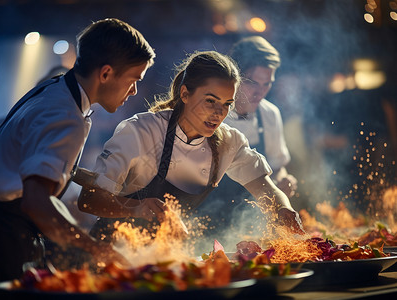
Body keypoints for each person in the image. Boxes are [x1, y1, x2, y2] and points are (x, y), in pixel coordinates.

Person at [0, 18, 155, 288]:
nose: (134, 91)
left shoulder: (54, 89)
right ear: (105, 74)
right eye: (134, 80)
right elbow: (36, 203)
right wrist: (96, 250)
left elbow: (29, 158)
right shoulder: (65, 116)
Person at [73, 50, 304, 243]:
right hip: (113, 253)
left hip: (165, 257)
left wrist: (283, 210)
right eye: (210, 101)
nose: (218, 113)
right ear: (185, 93)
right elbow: (89, 199)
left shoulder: (228, 142)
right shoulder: (141, 131)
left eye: (226, 104)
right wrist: (135, 208)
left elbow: (266, 189)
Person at [224, 36, 297, 199]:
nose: (260, 93)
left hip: (255, 216)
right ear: (234, 77)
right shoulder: (214, 114)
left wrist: (283, 180)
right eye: (252, 83)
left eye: (267, 84)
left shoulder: (269, 114)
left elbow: (277, 167)